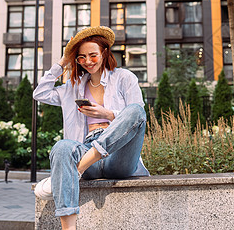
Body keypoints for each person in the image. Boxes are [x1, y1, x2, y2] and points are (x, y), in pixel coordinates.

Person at [33, 26, 149, 230]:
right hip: (86, 150)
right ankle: (69, 228)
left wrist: (107, 114)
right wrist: (62, 63)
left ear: (104, 53)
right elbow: (39, 93)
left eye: (93, 55)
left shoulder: (124, 78)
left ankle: (77, 168)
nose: (88, 61)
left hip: (119, 156)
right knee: (61, 147)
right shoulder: (72, 87)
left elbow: (137, 117)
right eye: (81, 57)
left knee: (135, 111)